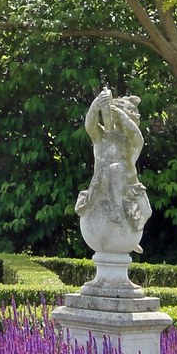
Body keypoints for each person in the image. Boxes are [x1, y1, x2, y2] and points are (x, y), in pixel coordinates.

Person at [75, 88, 151, 247]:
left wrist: (120, 114)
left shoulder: (131, 141)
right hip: (102, 180)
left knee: (147, 212)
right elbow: (89, 125)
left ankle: (130, 240)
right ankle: (116, 209)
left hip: (129, 183)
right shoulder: (101, 136)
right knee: (114, 168)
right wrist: (96, 105)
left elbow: (137, 136)